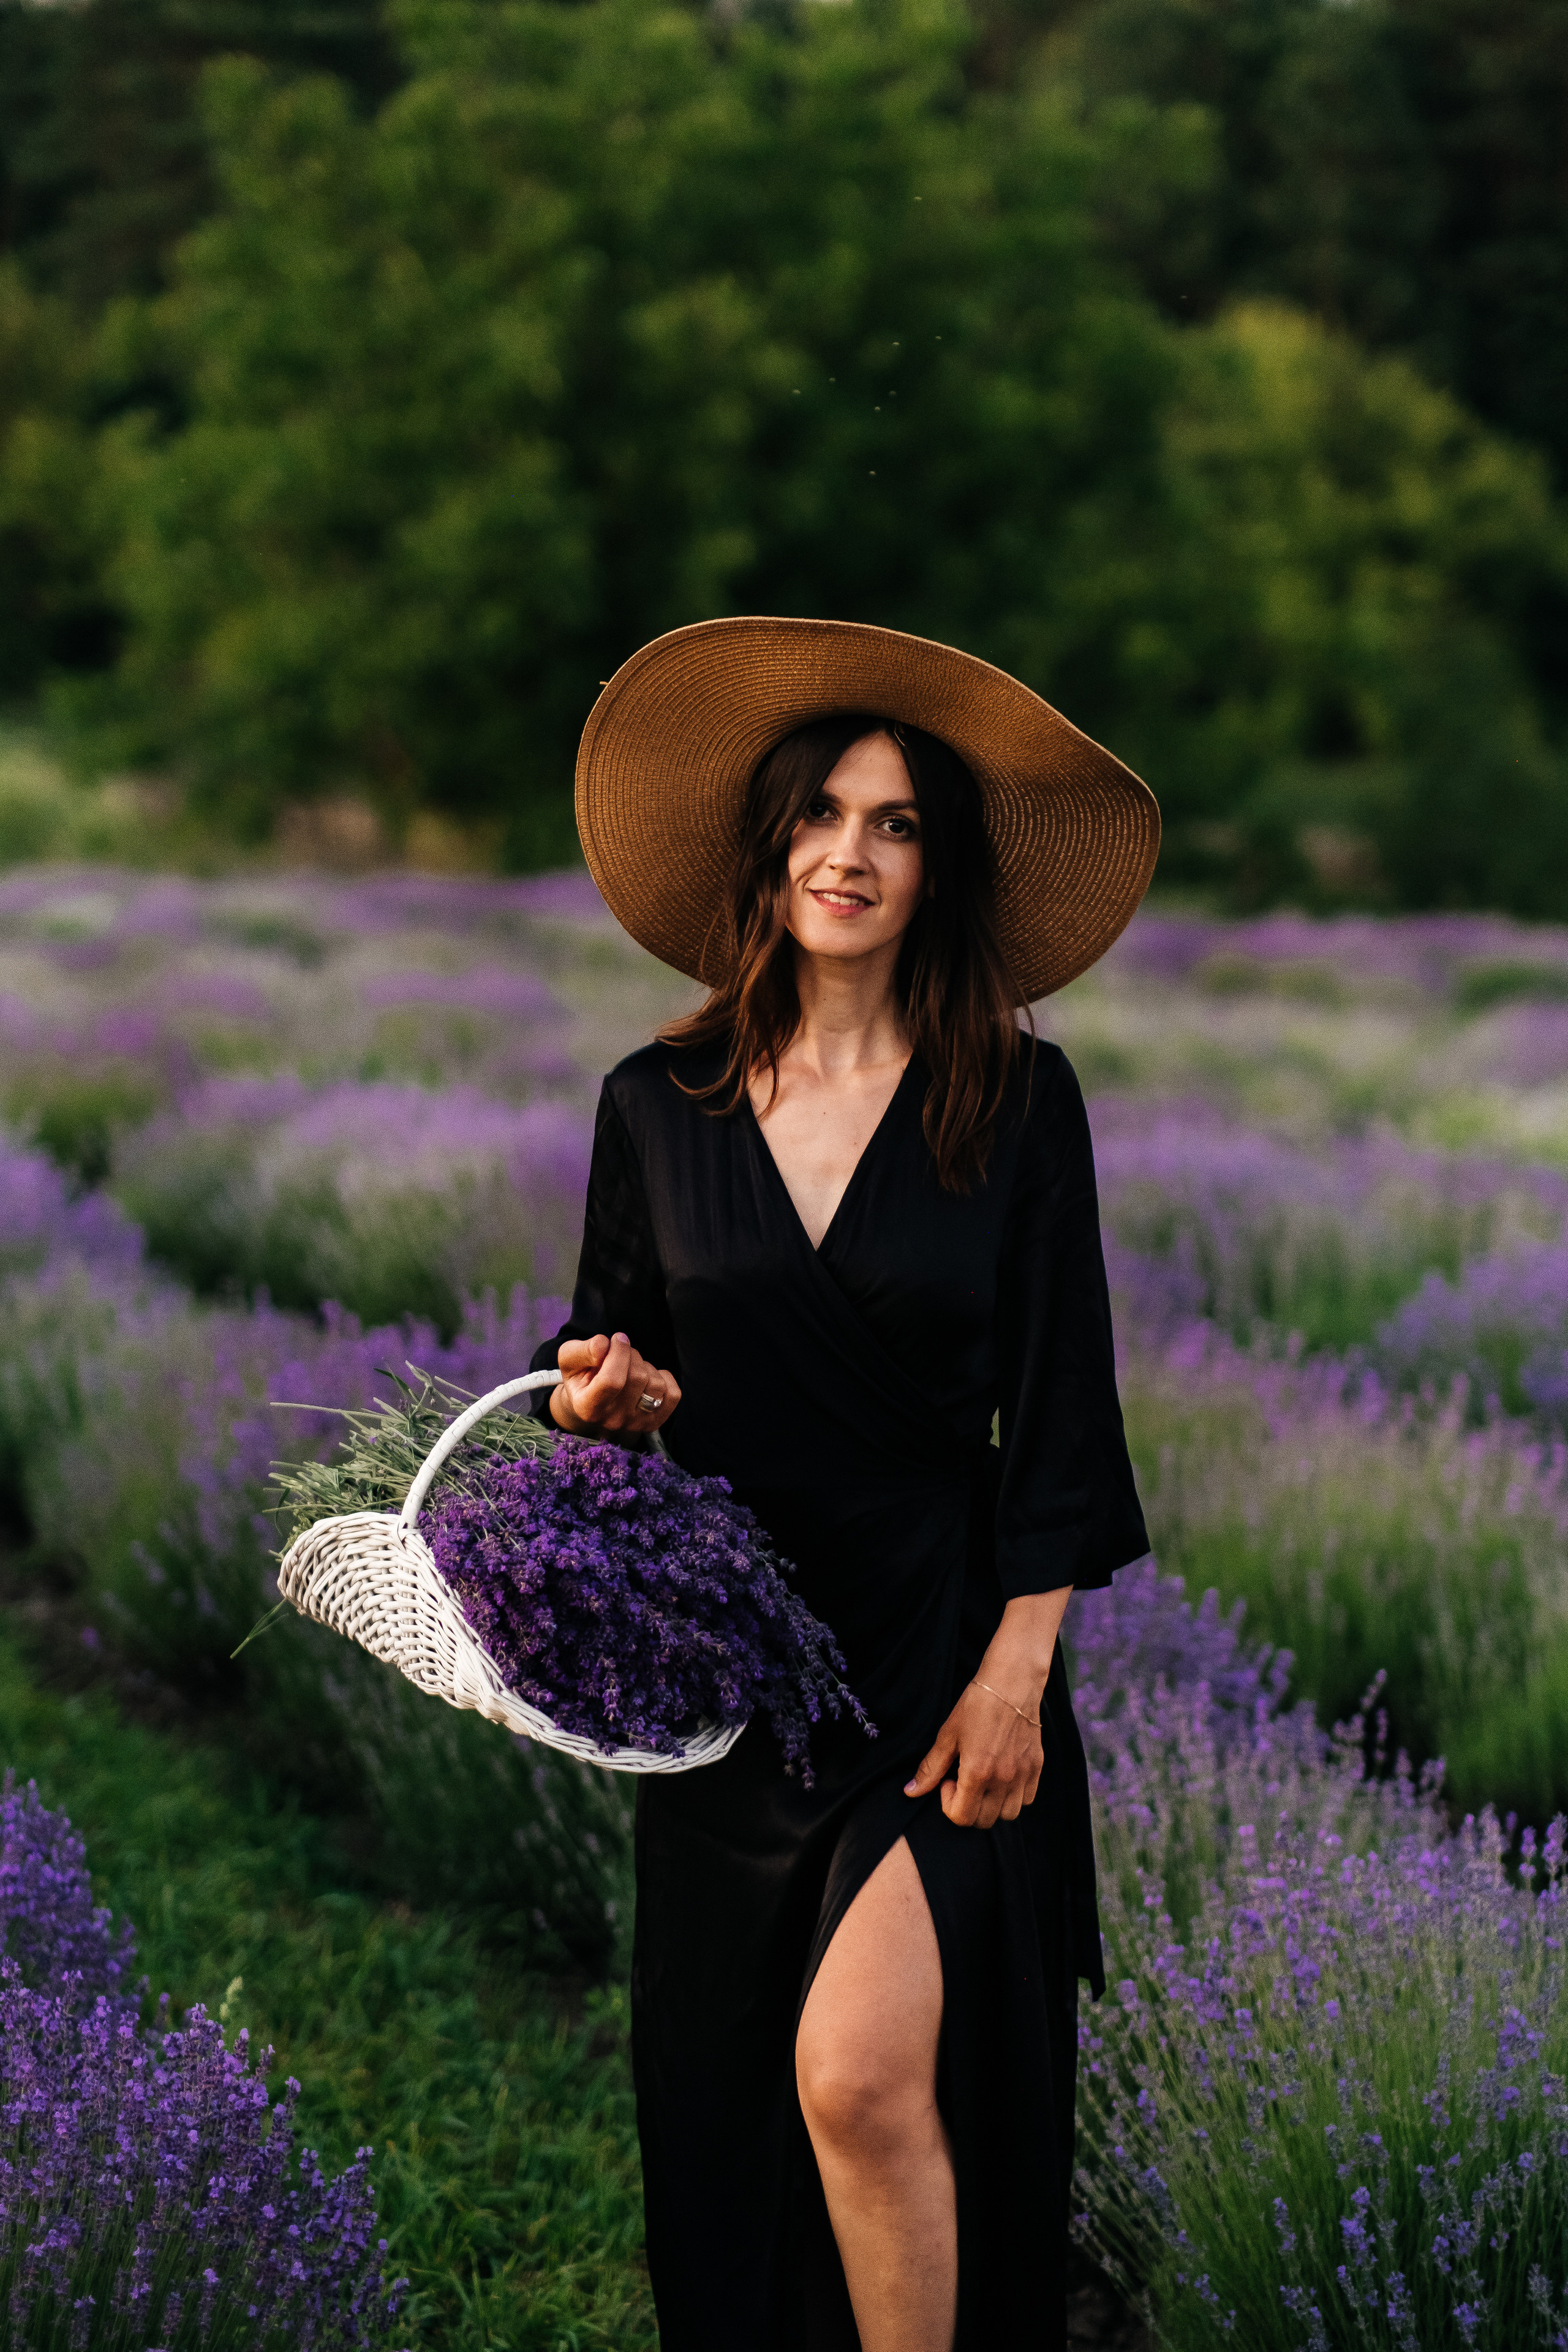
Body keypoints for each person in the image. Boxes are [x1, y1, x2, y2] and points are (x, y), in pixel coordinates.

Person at [530, 616, 1158, 2352]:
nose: (851, 853)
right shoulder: (657, 1105)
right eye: (822, 813)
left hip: (937, 1657)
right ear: (771, 845)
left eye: (893, 823)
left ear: (935, 866)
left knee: (865, 2080)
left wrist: (1020, 1668)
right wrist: (615, 1399)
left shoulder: (1018, 1104)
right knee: (740, 2106)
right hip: (733, 1671)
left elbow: (1062, 1407)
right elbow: (600, 1372)